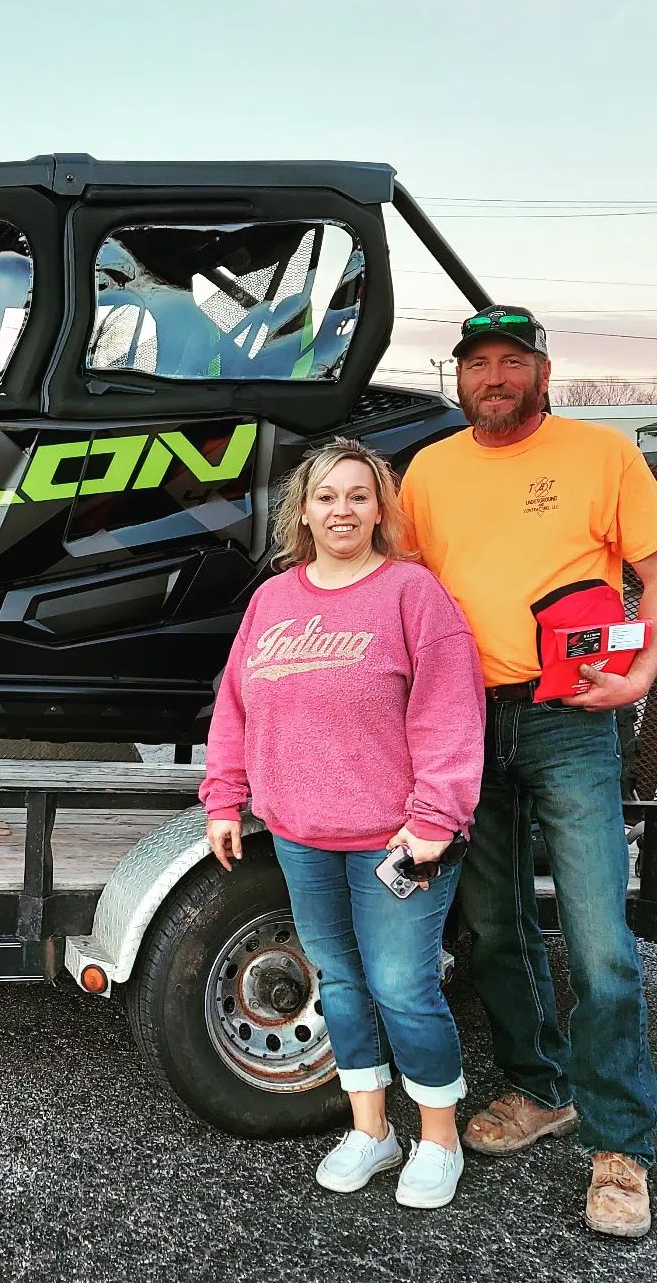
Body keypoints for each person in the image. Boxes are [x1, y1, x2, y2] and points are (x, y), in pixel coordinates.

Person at [400, 305, 657, 1239]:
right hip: (465, 721)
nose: (495, 378)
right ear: (460, 378)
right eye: (478, 364)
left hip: (572, 716)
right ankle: (542, 1088)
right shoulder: (429, 471)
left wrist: (644, 671)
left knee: (600, 941)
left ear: (542, 373)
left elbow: (653, 569)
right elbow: (405, 593)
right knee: (493, 924)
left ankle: (622, 1144)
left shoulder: (602, 455)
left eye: (513, 361)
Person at [202, 438, 485, 1208]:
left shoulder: (412, 594)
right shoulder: (273, 601)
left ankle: (439, 1140)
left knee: (403, 985)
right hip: (301, 836)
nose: (342, 510)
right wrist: (223, 797)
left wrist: (435, 818)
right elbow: (235, 704)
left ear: (381, 509)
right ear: (303, 511)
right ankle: (372, 1131)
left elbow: (451, 713)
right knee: (340, 982)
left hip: (399, 840)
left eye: (359, 496)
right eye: (326, 496)